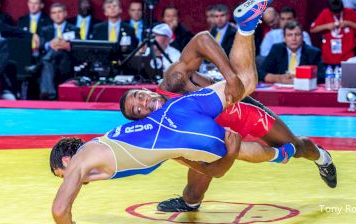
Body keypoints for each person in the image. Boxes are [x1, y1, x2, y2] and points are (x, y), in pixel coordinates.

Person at [50, 1, 274, 223]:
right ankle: (245, 26)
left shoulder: (81, 160)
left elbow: (60, 210)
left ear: (67, 160)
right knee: (246, 82)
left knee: (229, 146)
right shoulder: (105, 146)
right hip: (174, 115)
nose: (68, 180)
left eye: (63, 175)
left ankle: (280, 154)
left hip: (175, 126)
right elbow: (205, 167)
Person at [121, 6, 337, 215]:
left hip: (243, 111)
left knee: (296, 147)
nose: (143, 105)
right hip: (216, 138)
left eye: (139, 97)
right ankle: (190, 203)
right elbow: (209, 168)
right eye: (137, 110)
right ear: (141, 119)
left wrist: (230, 78)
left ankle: (321, 157)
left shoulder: (172, 82)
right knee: (194, 189)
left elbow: (202, 39)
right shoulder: (162, 128)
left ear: (144, 89)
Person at [37, 3, 79, 100]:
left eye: (59, 12)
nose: (57, 15)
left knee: (48, 60)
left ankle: (47, 93)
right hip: (52, 62)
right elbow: (42, 45)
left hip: (66, 61)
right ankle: (51, 94)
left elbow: (76, 47)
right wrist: (50, 44)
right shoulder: (45, 30)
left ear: (65, 14)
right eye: (54, 13)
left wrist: (64, 46)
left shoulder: (74, 29)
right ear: (51, 16)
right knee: (49, 60)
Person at [310, 0, 356, 66]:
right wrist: (326, 26)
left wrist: (348, 23)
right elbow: (312, 29)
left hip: (348, 56)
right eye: (334, 13)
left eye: (339, 12)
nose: (337, 15)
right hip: (329, 57)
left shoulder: (349, 12)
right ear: (330, 10)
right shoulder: (325, 13)